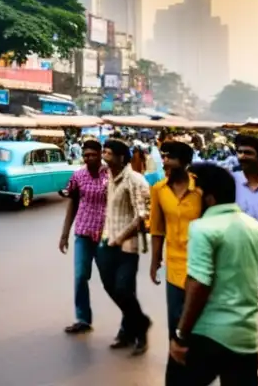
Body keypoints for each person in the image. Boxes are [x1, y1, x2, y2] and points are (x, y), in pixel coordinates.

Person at [170, 163, 258, 385]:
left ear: (209, 197)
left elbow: (199, 284)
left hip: (207, 335)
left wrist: (181, 334)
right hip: (246, 337)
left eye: (193, 193)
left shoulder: (203, 228)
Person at [149, 140, 203, 385]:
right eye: (164, 156)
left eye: (169, 157)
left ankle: (198, 373)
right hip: (174, 268)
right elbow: (157, 228)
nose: (165, 161)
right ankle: (176, 378)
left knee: (198, 325)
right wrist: (154, 260)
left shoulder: (201, 189)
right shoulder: (159, 190)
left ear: (184, 161)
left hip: (201, 268)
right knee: (175, 325)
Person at [99, 138, 152, 355]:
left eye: (109, 152)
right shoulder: (108, 176)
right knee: (110, 287)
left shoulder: (135, 180)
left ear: (121, 157)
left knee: (124, 289)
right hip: (107, 241)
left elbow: (142, 216)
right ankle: (137, 322)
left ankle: (138, 332)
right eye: (104, 151)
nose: (104, 155)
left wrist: (120, 237)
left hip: (126, 246)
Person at [59, 139, 110, 335]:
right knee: (80, 276)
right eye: (86, 155)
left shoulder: (111, 175)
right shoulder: (78, 176)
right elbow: (72, 204)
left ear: (100, 154)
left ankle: (130, 318)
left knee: (110, 280)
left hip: (105, 235)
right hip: (83, 232)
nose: (88, 159)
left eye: (93, 155)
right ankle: (83, 318)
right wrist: (64, 234)